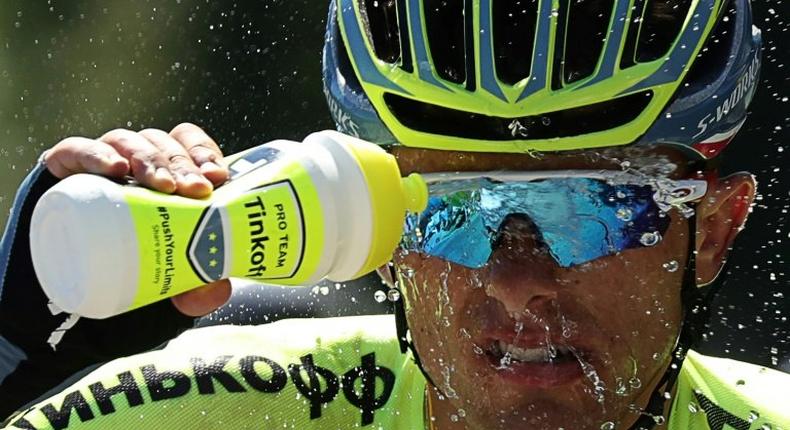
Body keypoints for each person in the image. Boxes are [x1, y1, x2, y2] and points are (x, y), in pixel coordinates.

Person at [1, 0, 788, 429]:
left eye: (590, 211)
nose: (518, 283)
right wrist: (13, 366)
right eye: (449, 215)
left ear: (715, 231)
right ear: (378, 235)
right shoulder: (214, 412)